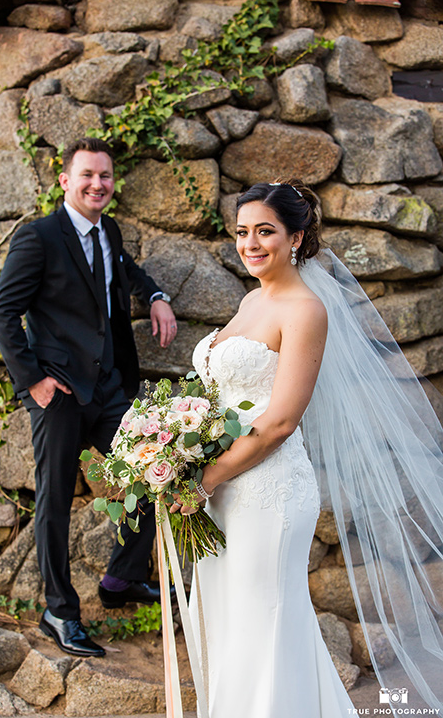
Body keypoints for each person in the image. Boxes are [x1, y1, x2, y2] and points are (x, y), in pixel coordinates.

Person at [171, 180, 443, 717]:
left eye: (265, 231)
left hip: (265, 493)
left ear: (296, 237)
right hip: (223, 488)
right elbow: (220, 395)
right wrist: (173, 451)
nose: (251, 243)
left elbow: (279, 422)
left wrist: (202, 479)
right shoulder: (252, 298)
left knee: (265, 624)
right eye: (243, 232)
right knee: (228, 620)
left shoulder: (305, 310)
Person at [0, 137, 177, 658]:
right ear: (65, 181)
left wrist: (156, 296)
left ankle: (120, 580)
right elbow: (3, 312)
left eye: (106, 176)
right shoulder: (39, 238)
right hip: (59, 392)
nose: (98, 184)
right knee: (54, 499)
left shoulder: (108, 230)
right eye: (88, 175)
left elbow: (125, 271)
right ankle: (59, 611)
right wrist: (34, 381)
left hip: (110, 388)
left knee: (153, 469)